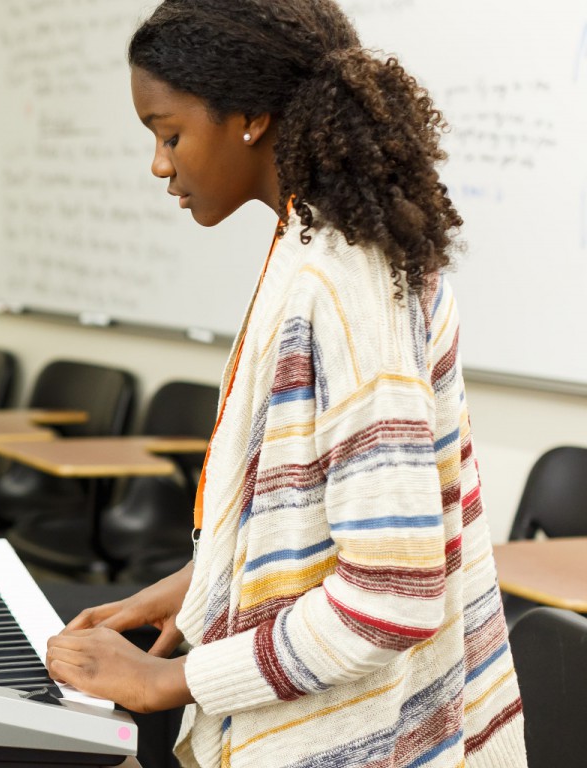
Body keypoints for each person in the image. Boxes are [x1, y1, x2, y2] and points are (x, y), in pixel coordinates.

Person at [46, 2, 527, 766]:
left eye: (170, 133)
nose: (160, 164)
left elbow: (390, 601)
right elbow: (317, 525)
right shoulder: (325, 241)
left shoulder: (340, 281)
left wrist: (172, 680)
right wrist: (200, 585)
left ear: (252, 116)